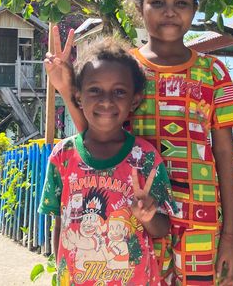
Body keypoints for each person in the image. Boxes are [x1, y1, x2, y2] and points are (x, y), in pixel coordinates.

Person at [45, 0, 233, 285]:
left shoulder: (213, 73)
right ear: (140, 8)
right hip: (135, 220)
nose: (170, 11)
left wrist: (232, 237)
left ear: (195, 9)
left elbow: (224, 153)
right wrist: (68, 90)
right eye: (157, 2)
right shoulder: (125, 70)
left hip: (202, 218)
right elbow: (96, 135)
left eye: (181, 2)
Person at [38, 37, 177, 286]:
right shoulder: (62, 156)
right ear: (78, 96)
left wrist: (147, 215)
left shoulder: (145, 158)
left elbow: (163, 227)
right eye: (95, 90)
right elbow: (59, 221)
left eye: (119, 91)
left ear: (134, 100)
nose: (106, 100)